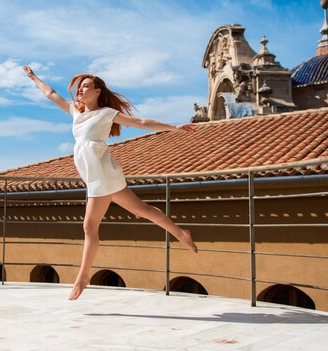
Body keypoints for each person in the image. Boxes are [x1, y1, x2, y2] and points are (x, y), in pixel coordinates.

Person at [23, 65, 198, 301]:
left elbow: (142, 122)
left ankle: (82, 277)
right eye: (78, 87)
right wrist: (34, 77)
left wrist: (174, 127)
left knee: (89, 227)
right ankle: (180, 232)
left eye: (85, 86)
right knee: (142, 210)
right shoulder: (77, 112)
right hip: (96, 174)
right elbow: (51, 94)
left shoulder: (106, 113)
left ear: (97, 91)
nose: (80, 91)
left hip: (101, 174)